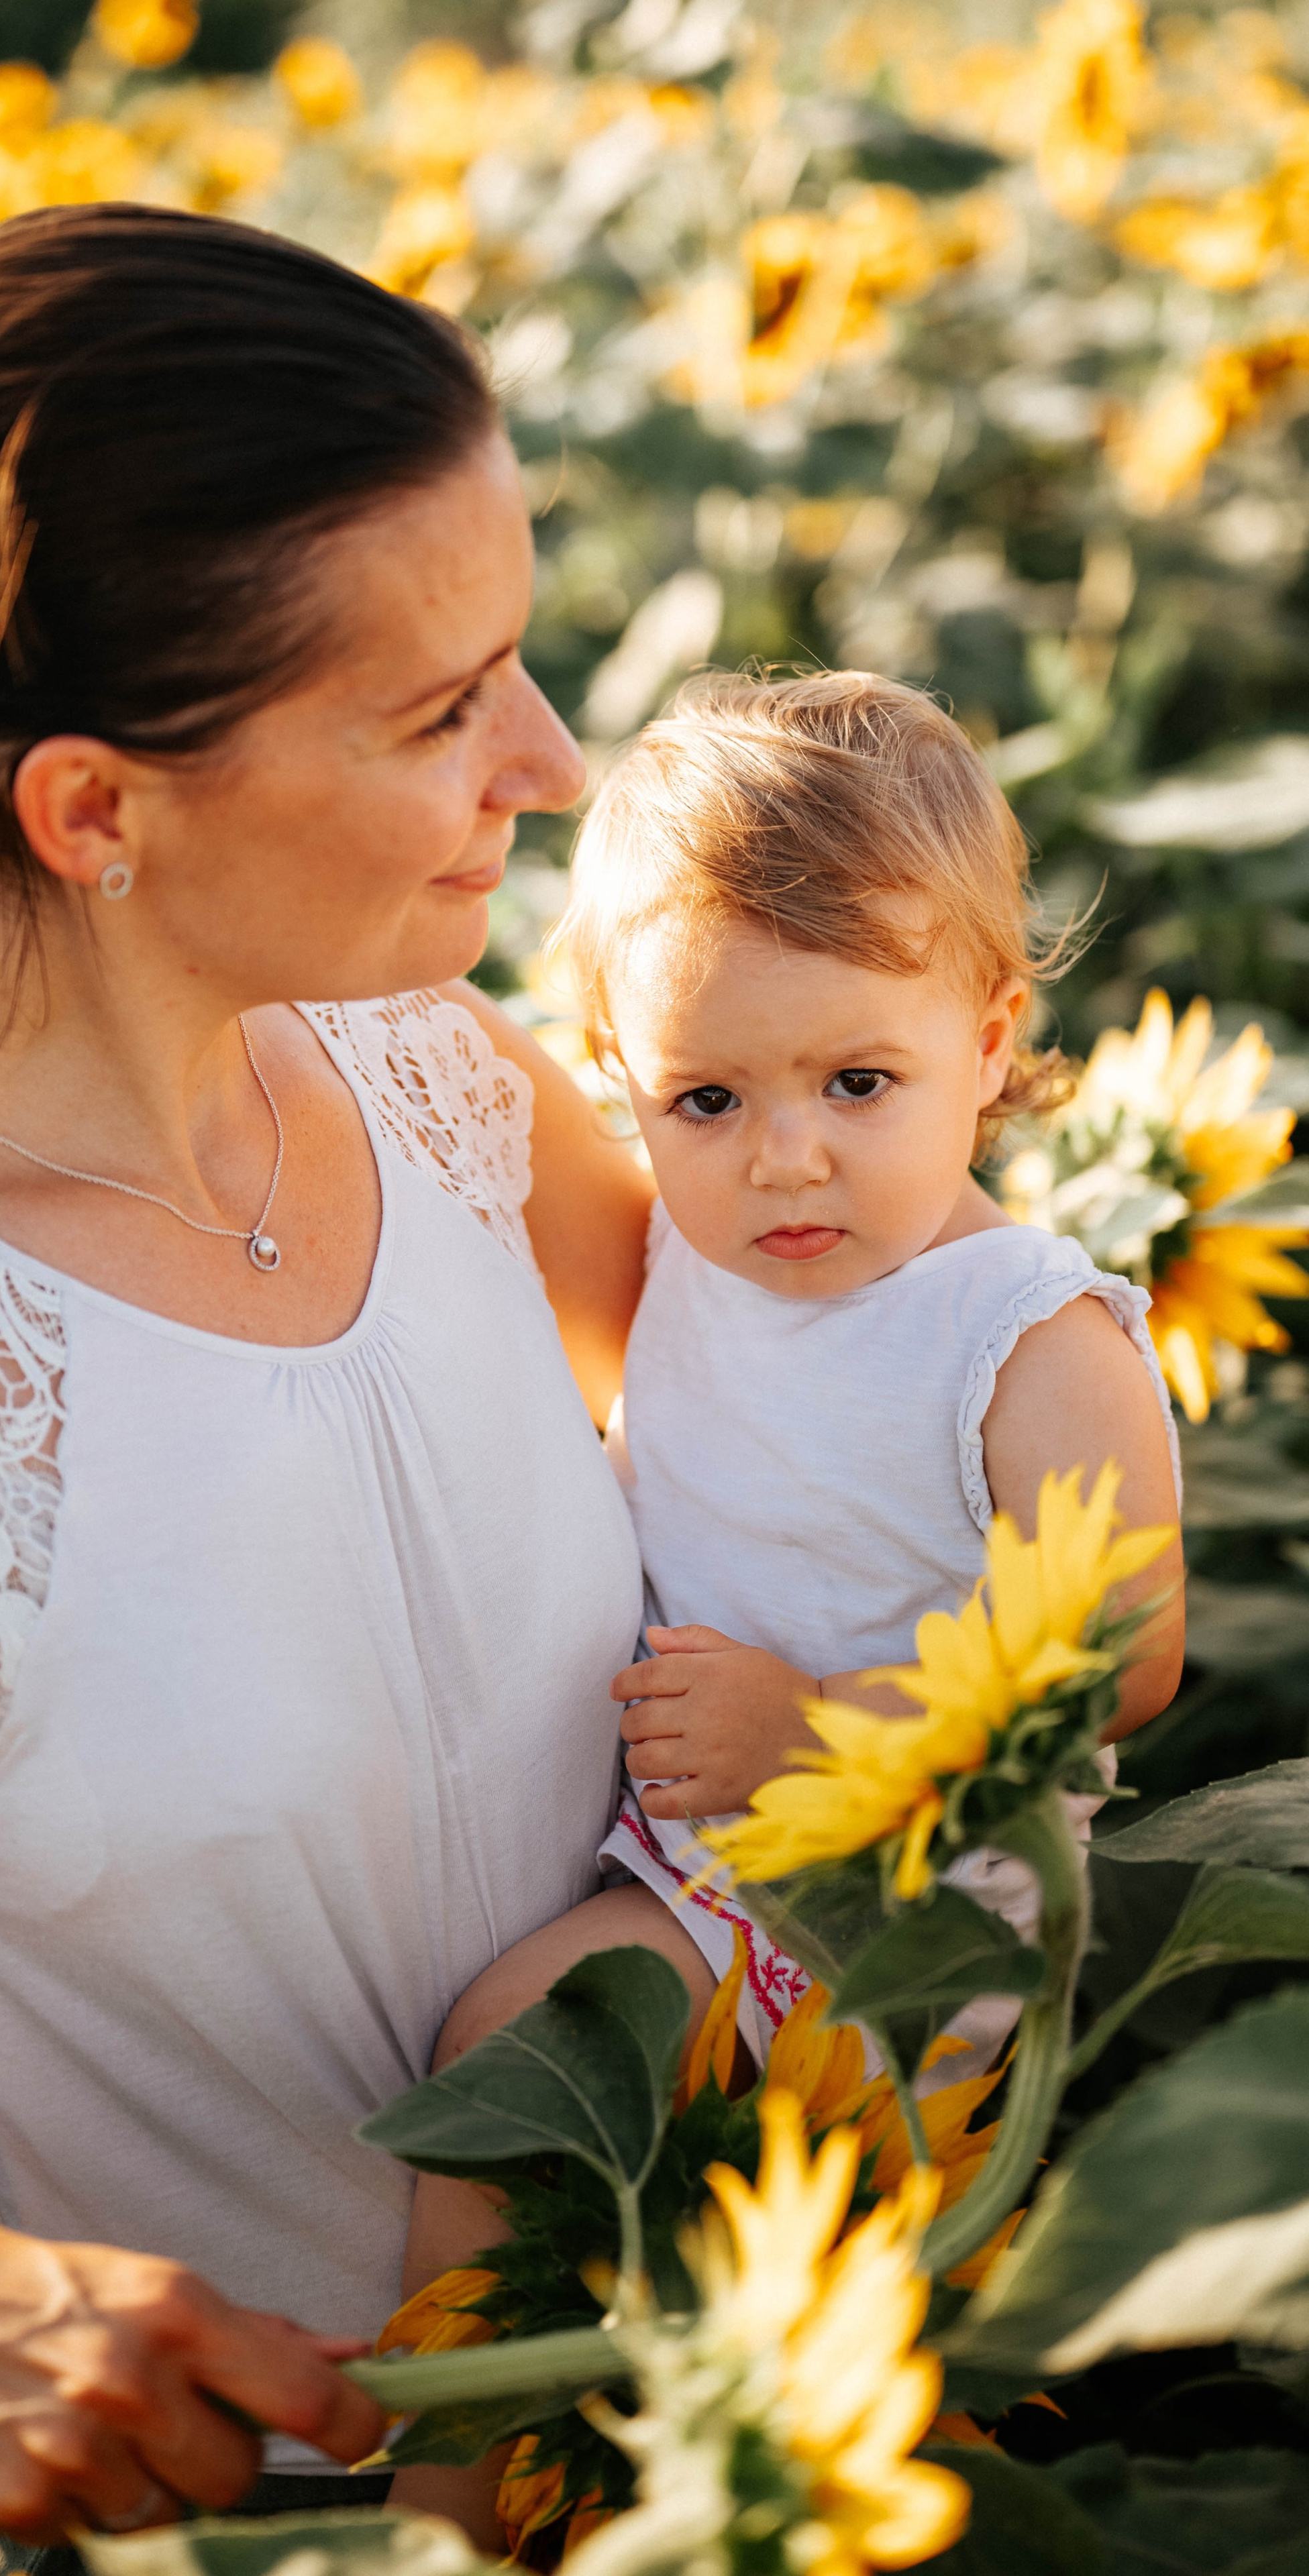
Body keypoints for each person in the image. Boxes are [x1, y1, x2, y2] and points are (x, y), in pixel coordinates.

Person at [0, 205, 660, 2538]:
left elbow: (794, 1446)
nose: (557, 764)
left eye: (522, 658)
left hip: (758, 2435)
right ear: (93, 807)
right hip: (258, 2536)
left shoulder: (451, 1088)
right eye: (439, 711)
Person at [392, 671, 1184, 2538]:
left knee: (518, 2053)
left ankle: (428, 2515)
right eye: (708, 1096)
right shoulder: (696, 1244)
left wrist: (810, 1736)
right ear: (626, 1079)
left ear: (990, 1043)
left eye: (857, 1081)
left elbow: (1128, 1668)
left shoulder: (1024, 1335)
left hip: (895, 1926)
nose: (788, 1155)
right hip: (714, 1860)